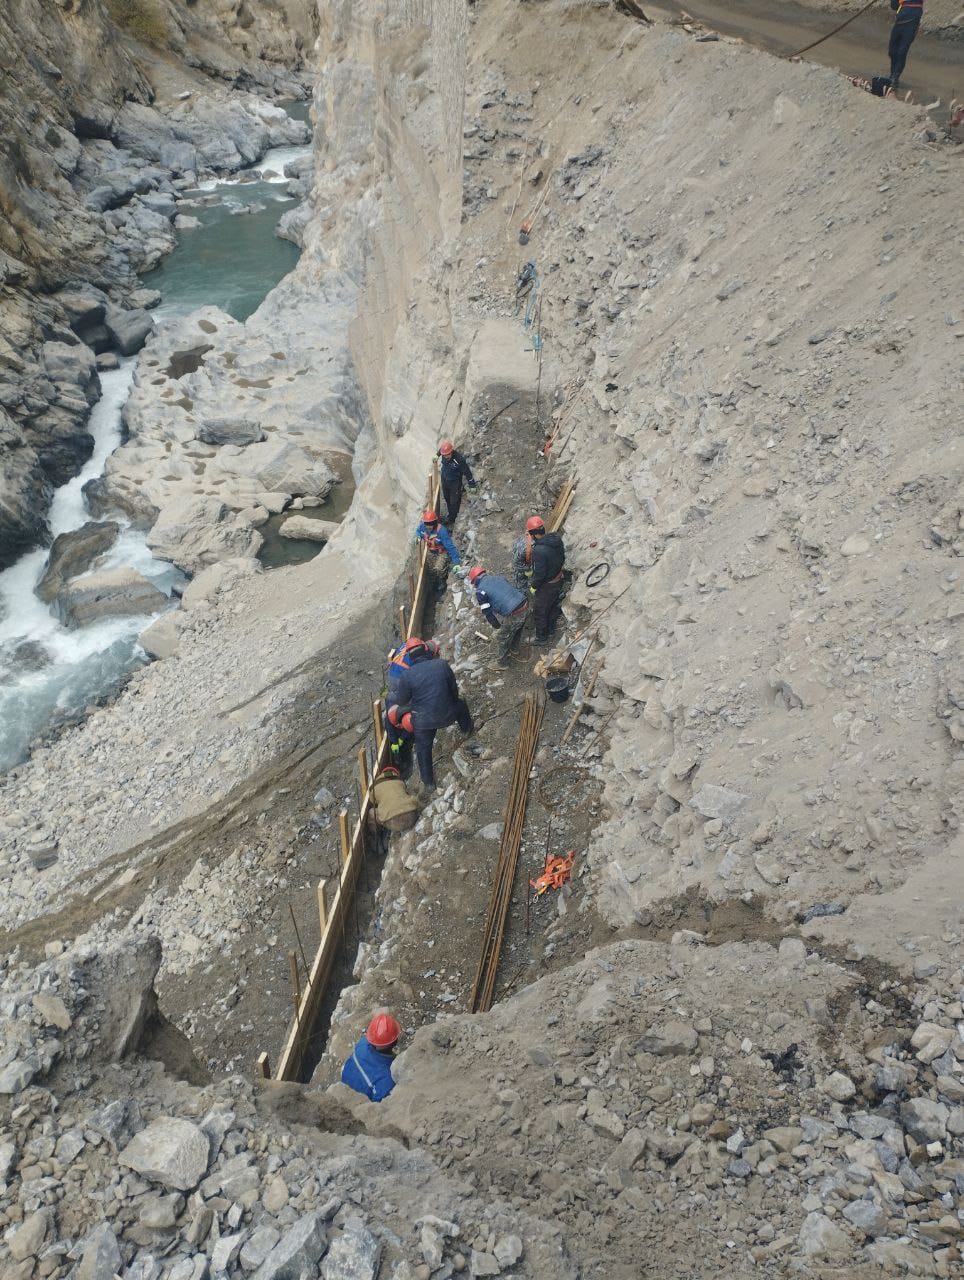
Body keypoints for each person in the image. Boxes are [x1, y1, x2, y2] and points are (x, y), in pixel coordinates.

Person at [390, 645, 475, 796]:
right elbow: (454, 691)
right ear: (427, 652)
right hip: (448, 713)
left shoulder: (407, 675)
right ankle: (467, 730)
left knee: (423, 749)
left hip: (424, 723)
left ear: (411, 658)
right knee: (461, 705)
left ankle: (428, 783)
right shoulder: (441, 665)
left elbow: (402, 701)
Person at [467, 566, 529, 667]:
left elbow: (487, 612)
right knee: (518, 628)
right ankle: (514, 649)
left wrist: (496, 626)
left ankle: (502, 664)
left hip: (515, 612)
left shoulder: (480, 592)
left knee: (502, 637)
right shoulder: (498, 578)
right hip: (525, 604)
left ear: (474, 581)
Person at [341, 1013, 401, 1102]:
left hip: (343, 1086)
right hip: (357, 1103)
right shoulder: (388, 1077)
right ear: (395, 1041)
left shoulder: (362, 1043)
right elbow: (378, 1104)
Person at [524, 516, 566, 643]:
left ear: (532, 534)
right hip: (558, 578)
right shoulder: (556, 539)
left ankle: (541, 638)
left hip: (548, 585)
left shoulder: (539, 550)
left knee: (540, 612)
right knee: (553, 606)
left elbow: (540, 574)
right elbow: (563, 558)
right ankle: (551, 630)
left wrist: (534, 587)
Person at [414, 509, 463, 596]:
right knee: (431, 569)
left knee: (439, 569)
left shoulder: (442, 531)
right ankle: (433, 583)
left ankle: (442, 582)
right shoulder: (423, 526)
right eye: (427, 524)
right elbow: (418, 531)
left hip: (442, 552)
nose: (428, 526)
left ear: (434, 522)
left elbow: (450, 547)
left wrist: (456, 563)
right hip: (431, 551)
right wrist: (417, 536)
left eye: (430, 524)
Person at [386, 636, 439, 701]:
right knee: (408, 697)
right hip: (398, 678)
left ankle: (392, 696)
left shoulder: (408, 645)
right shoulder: (420, 656)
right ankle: (393, 699)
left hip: (392, 672)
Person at [438, 441, 477, 527]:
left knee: (454, 501)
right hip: (444, 479)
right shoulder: (444, 453)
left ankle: (452, 519)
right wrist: (436, 456)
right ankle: (450, 515)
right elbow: (441, 451)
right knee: (447, 497)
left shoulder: (459, 459)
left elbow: (467, 472)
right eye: (444, 455)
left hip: (454, 483)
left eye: (447, 454)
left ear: (451, 452)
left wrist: (472, 484)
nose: (446, 456)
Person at [887, 0, 923, 93]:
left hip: (912, 21)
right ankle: (892, 75)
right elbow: (894, 6)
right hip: (900, 21)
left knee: (902, 51)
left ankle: (895, 78)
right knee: (892, 51)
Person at [385, 703, 415, 777]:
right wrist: (394, 742)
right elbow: (390, 729)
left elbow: (409, 728)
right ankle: (398, 763)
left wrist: (402, 738)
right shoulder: (391, 716)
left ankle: (406, 761)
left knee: (407, 744)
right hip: (394, 730)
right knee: (396, 752)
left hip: (405, 728)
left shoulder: (411, 715)